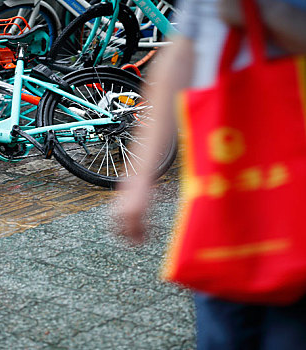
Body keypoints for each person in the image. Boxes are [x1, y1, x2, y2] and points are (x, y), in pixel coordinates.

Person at [115, 0, 306, 348]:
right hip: (225, 197)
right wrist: (139, 177)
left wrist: (269, 15)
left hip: (290, 198)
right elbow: (180, 56)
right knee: (221, 329)